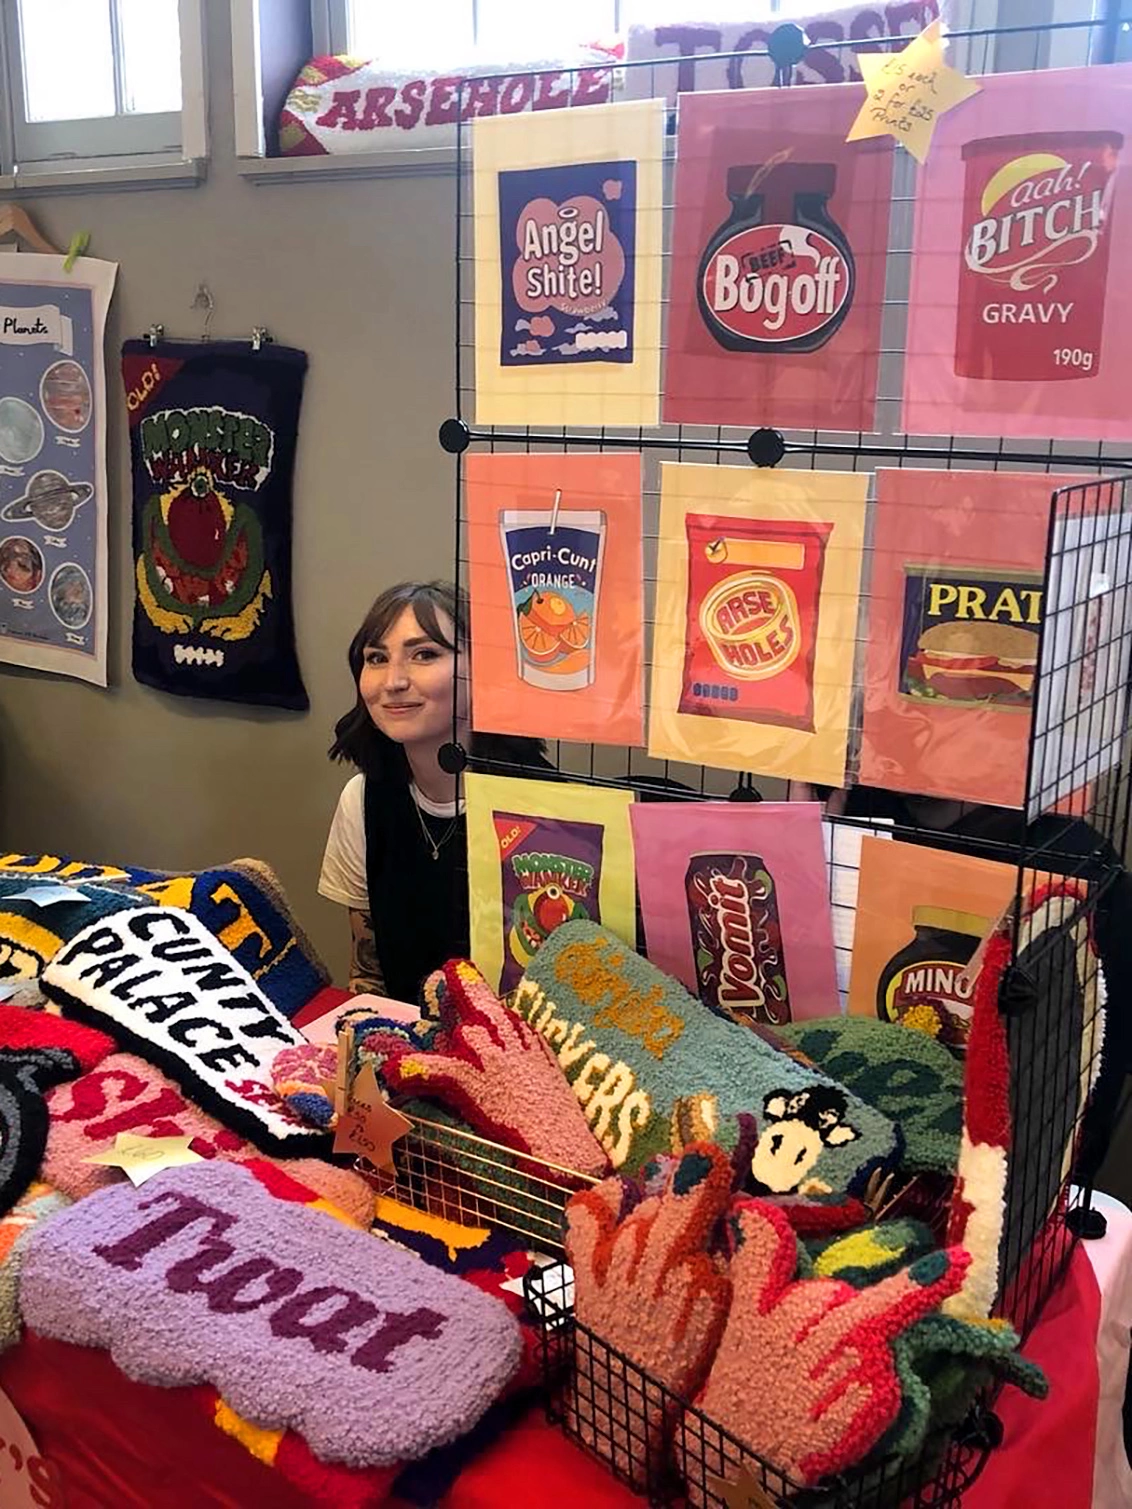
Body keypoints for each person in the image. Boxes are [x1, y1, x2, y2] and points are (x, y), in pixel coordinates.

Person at [319, 580, 553, 1003]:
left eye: (424, 654)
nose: (392, 681)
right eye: (376, 658)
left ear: (483, 670)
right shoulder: (363, 800)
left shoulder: (548, 809)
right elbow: (368, 972)